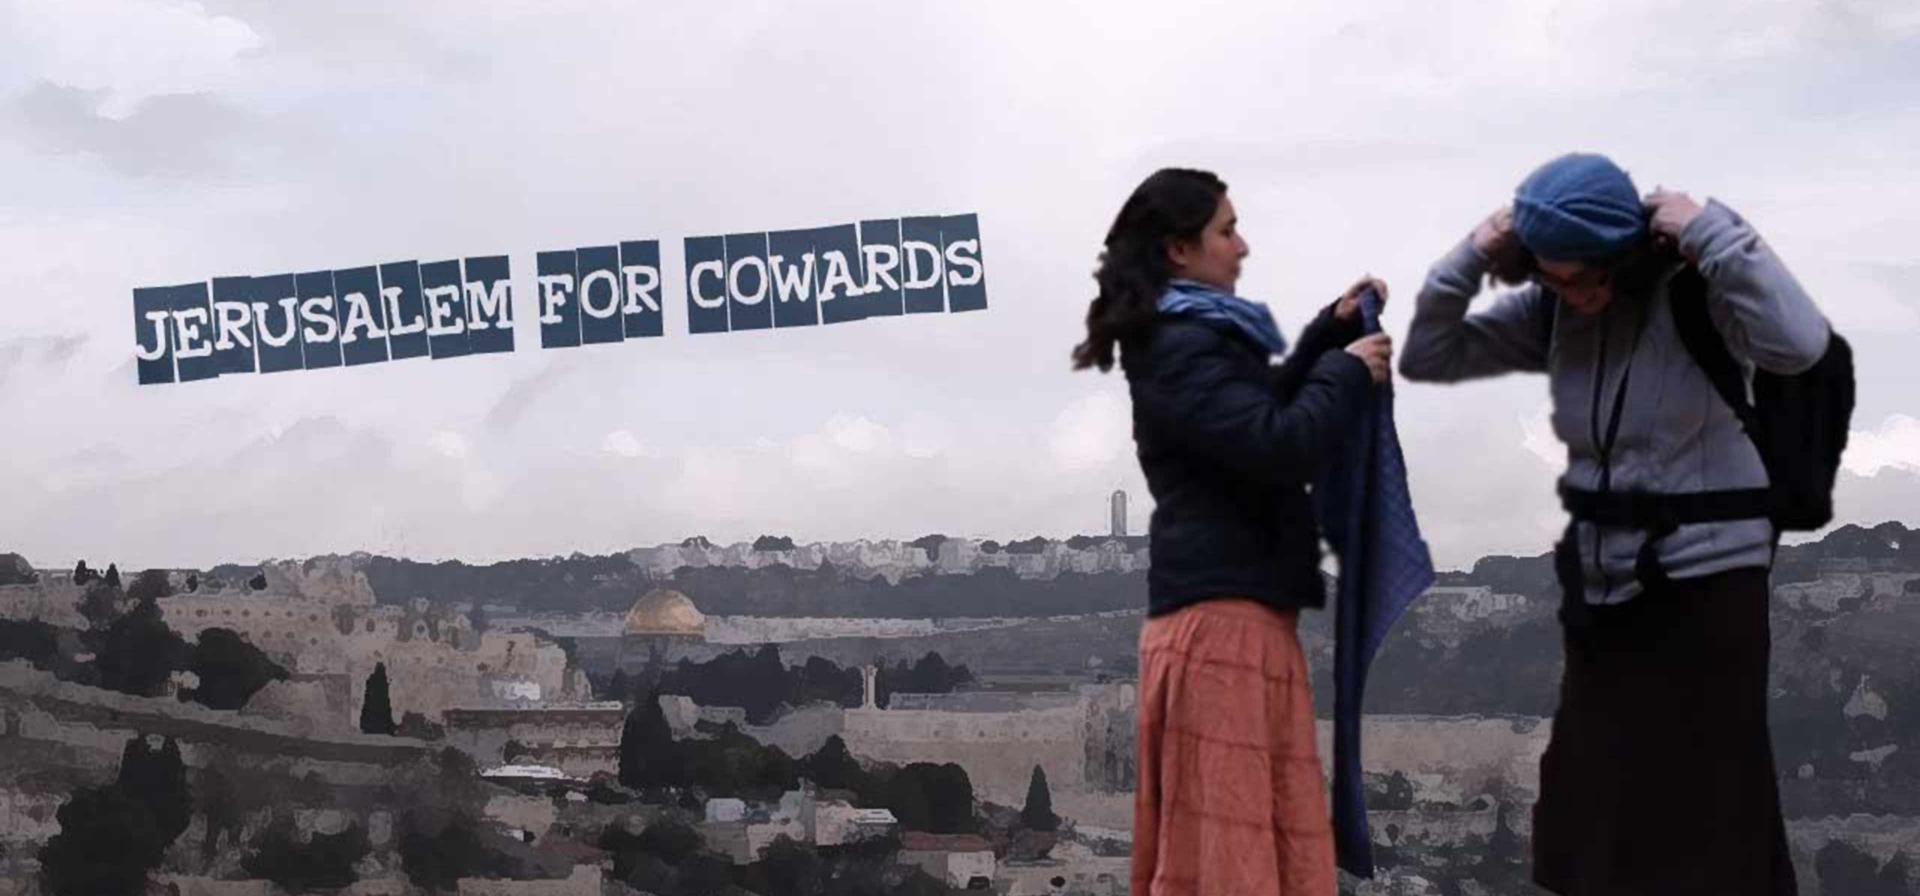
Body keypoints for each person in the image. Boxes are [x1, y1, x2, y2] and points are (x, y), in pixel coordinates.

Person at [1399, 152, 1829, 894]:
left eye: (1582, 276)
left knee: (1713, 814)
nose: (1572, 294)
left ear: (1619, 257)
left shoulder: (1699, 297)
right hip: (1604, 588)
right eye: (1552, 278)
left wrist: (1713, 230)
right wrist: (1472, 253)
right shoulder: (1557, 312)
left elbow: (1800, 343)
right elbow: (1430, 351)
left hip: (1708, 581)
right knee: (1585, 810)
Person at [1073, 167, 1391, 894]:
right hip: (1222, 636)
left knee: (1250, 859)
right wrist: (1344, 375)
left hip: (1238, 623)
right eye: (1227, 229)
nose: (1242, 246)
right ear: (1181, 250)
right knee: (1231, 868)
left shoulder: (1195, 341)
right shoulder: (1181, 347)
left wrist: (1327, 337)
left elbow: (1256, 419)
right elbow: (1279, 444)